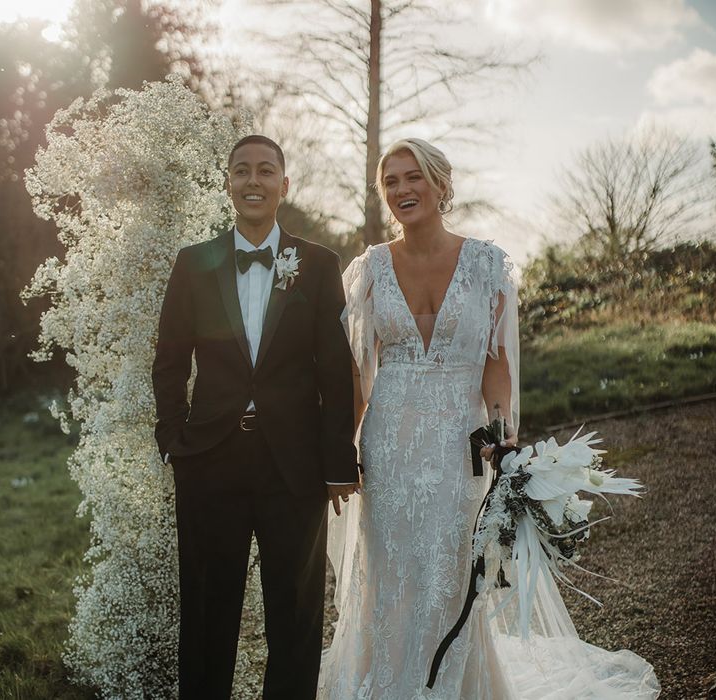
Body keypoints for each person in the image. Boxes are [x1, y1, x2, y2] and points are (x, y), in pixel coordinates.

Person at [319, 138, 660, 698]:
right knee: (390, 579)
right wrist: (342, 448)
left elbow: (495, 365)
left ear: (441, 186)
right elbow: (360, 375)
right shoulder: (370, 270)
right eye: (392, 182)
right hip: (391, 446)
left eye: (414, 178)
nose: (403, 190)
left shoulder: (486, 266)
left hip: (460, 444)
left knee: (453, 576)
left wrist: (503, 432)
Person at [152, 134, 360, 700]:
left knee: (294, 613)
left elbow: (334, 372)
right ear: (227, 183)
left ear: (284, 186)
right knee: (206, 611)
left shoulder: (318, 265)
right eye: (241, 170)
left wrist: (339, 461)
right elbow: (170, 360)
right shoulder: (194, 263)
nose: (253, 181)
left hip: (292, 467)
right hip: (209, 460)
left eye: (265, 171)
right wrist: (173, 439)